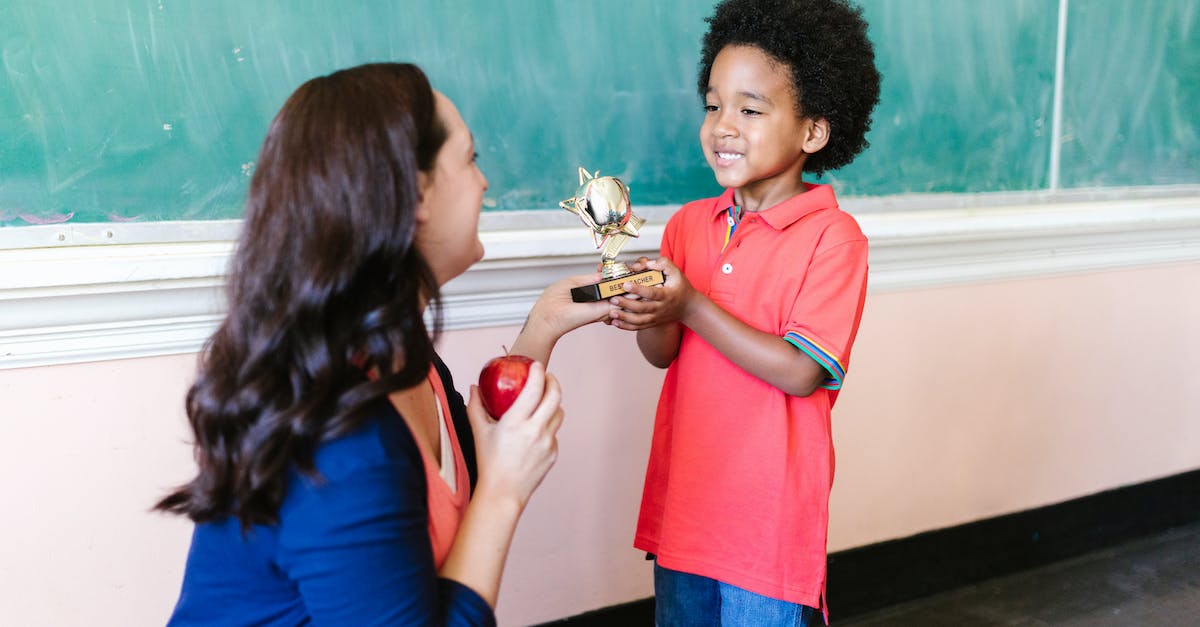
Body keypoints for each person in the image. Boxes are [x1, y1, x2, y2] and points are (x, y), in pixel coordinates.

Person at [155, 62, 609, 626]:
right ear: (415, 195)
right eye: (470, 159)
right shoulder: (342, 438)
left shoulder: (404, 362)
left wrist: (541, 328)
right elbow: (467, 486)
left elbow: (442, 484)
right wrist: (504, 494)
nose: (484, 181)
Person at [606, 0, 881, 624]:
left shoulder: (833, 239)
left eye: (750, 110)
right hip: (687, 509)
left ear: (813, 131)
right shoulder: (686, 226)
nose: (723, 126)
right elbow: (663, 354)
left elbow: (800, 371)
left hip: (768, 529)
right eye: (713, 105)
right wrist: (648, 311)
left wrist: (691, 304)